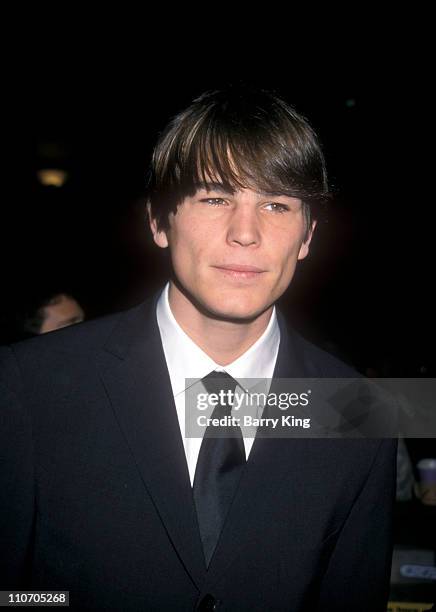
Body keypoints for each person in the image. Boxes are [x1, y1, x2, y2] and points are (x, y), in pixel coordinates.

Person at [0, 85, 398, 611]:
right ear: (159, 220)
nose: (245, 232)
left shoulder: (360, 412)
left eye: (276, 204)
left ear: (306, 238)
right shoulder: (30, 385)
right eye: (215, 198)